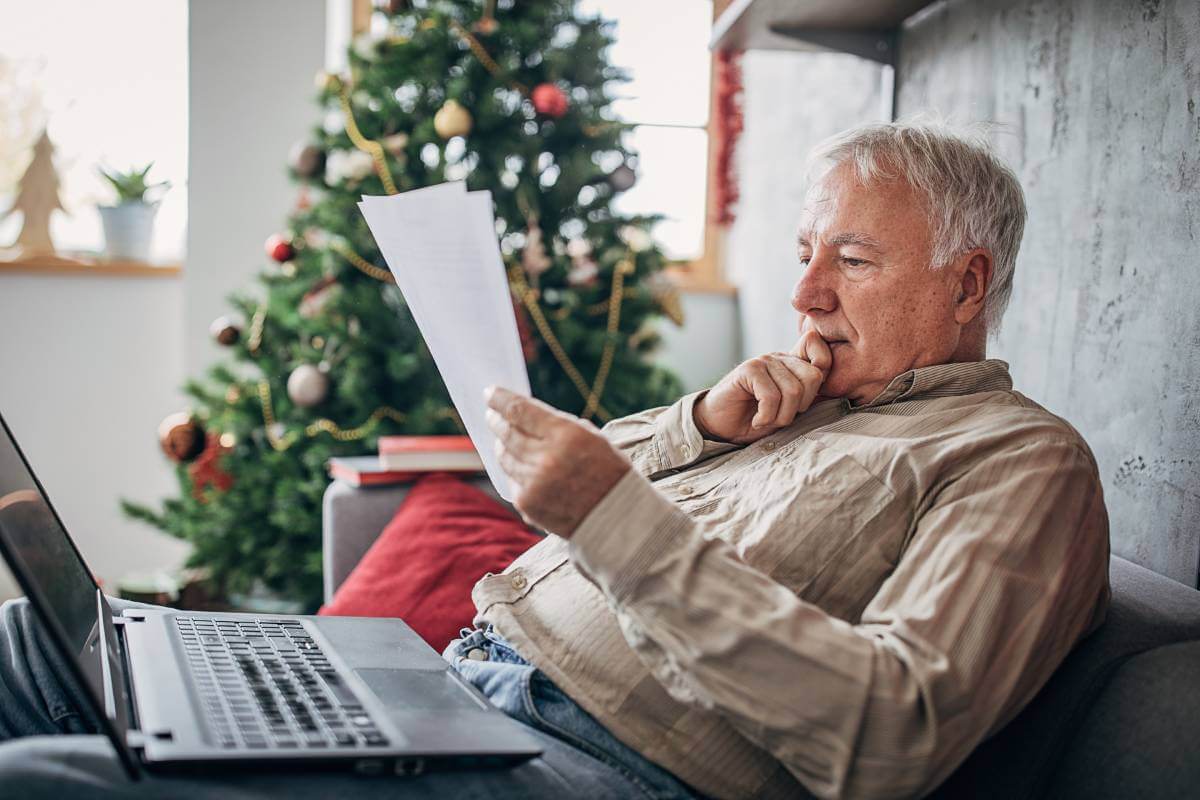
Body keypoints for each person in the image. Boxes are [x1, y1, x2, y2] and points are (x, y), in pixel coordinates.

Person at [0, 121, 1110, 800]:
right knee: (31, 644)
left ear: (967, 285)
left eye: (852, 259)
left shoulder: (1018, 460)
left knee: (43, 782)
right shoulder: (801, 397)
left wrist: (617, 518)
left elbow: (893, 733)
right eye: (804, 254)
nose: (805, 293)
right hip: (453, 682)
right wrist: (701, 426)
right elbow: (552, 500)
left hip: (589, 764)